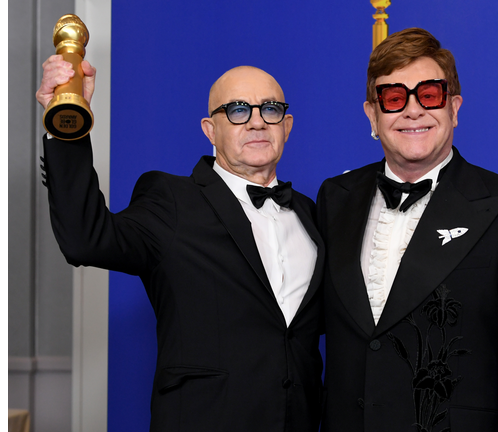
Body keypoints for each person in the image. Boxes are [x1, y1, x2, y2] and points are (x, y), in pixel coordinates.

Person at [36, 58, 324, 432]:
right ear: (210, 130)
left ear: (286, 126)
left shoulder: (312, 213)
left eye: (270, 109)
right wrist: (66, 122)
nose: (256, 122)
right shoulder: (171, 200)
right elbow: (85, 239)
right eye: (237, 110)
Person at [316, 28, 498, 431]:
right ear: (372, 115)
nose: (413, 111)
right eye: (394, 98)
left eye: (429, 95)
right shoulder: (335, 198)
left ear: (454, 108)